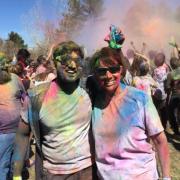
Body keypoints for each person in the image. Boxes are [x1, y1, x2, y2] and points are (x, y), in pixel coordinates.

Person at [13, 41, 96, 180]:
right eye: (64, 60)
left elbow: (113, 68)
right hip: (54, 174)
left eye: (77, 60)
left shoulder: (90, 90)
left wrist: (116, 47)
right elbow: (22, 134)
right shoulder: (36, 97)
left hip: (89, 171)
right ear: (54, 64)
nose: (72, 65)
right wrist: (16, 174)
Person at [87, 46, 170, 180]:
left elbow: (160, 141)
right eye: (102, 71)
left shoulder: (140, 99)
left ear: (121, 70)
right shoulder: (93, 103)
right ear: (96, 74)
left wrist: (166, 177)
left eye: (113, 69)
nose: (108, 76)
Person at [0, 53, 26, 180]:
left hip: (17, 129)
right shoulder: (15, 78)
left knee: (11, 164)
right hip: (5, 131)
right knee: (4, 164)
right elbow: (24, 98)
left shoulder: (15, 78)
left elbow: (25, 98)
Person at [166, 57, 180, 135]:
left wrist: (168, 97)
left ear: (171, 65)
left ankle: (176, 130)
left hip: (175, 96)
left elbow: (168, 87)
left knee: (171, 112)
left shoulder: (170, 74)